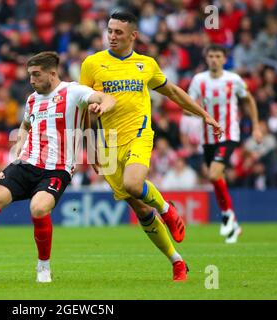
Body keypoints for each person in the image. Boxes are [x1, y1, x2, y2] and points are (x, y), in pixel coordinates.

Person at [80, 11, 222, 281]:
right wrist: (90, 145)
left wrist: (203, 114)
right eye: (109, 30)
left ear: (133, 35)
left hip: (138, 134)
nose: (112, 36)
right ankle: (177, 261)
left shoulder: (146, 64)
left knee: (135, 185)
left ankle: (168, 210)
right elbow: (83, 106)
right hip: (107, 145)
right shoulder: (92, 64)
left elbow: (173, 92)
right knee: (141, 209)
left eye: (118, 32)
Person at [0, 52, 116, 283]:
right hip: (27, 163)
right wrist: (20, 142)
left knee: (39, 208)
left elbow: (106, 98)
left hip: (58, 169)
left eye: (36, 74)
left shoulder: (72, 91)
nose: (31, 80)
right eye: (29, 75)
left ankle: (43, 267)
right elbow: (24, 124)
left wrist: (102, 107)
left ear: (52, 73)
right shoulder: (32, 99)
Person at [188, 45, 263, 243]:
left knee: (213, 174)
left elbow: (249, 100)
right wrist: (189, 111)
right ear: (206, 58)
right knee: (216, 178)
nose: (214, 59)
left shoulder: (233, 79)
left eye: (217, 56)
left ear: (224, 59)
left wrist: (255, 126)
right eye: (211, 56)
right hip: (207, 138)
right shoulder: (198, 80)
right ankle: (233, 223)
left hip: (228, 134)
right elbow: (189, 103)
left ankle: (227, 216)